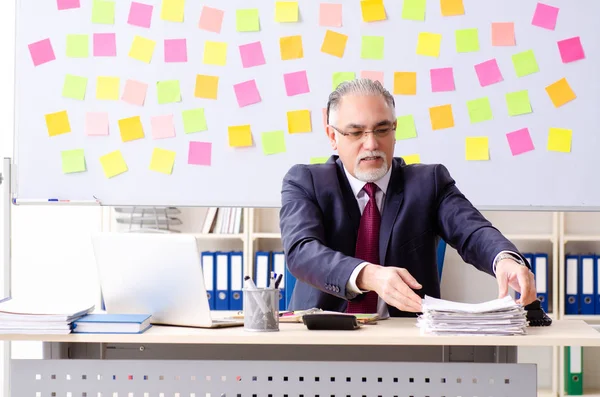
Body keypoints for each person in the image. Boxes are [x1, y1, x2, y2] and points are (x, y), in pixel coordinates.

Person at [278, 78, 537, 318]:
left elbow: (472, 230)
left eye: (382, 129)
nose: (371, 144)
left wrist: (504, 259)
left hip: (409, 341)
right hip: (321, 339)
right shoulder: (305, 182)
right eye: (356, 133)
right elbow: (302, 251)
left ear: (394, 130)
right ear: (333, 136)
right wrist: (368, 275)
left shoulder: (428, 183)